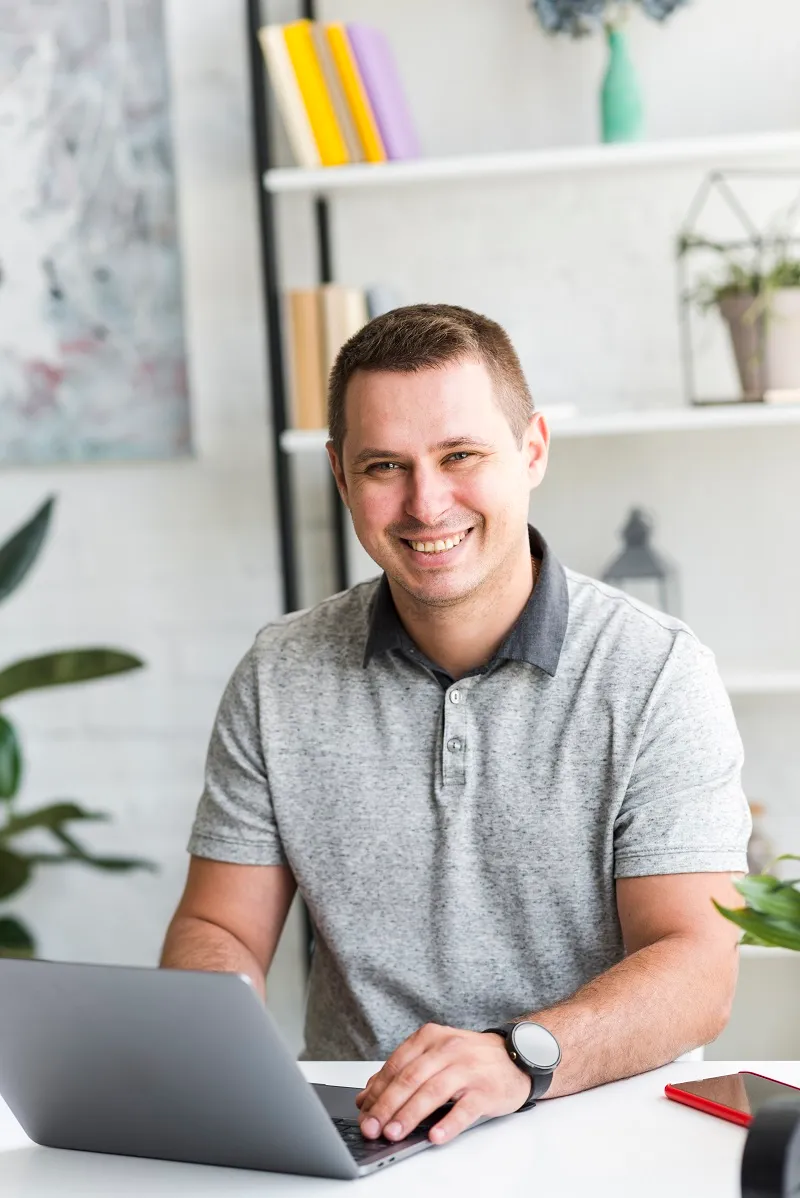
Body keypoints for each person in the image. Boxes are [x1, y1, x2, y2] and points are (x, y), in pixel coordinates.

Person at [161, 303, 751, 1149]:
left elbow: (698, 965)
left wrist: (519, 1058)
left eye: (460, 455)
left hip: (601, 1125)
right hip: (362, 1131)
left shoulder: (657, 673)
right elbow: (218, 927)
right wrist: (217, 1051)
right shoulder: (279, 673)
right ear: (339, 475)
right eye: (383, 466)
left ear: (533, 451)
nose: (424, 503)